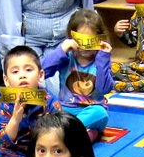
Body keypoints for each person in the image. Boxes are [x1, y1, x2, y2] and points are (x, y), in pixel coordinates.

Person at [42, 8, 114, 141]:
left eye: (90, 41)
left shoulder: (101, 58)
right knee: (46, 107)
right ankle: (77, 135)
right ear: (71, 38)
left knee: (100, 113)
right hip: (65, 109)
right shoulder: (67, 56)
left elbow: (105, 89)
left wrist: (103, 59)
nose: (85, 47)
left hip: (91, 111)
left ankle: (64, 132)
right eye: (81, 41)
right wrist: (61, 51)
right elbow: (42, 72)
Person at [0, 45, 62, 157]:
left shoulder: (50, 101)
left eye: (28, 70)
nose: (22, 75)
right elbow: (1, 142)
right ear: (6, 80)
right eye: (15, 72)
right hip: (18, 153)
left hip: (45, 153)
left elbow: (60, 136)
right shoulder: (5, 104)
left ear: (40, 75)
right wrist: (15, 119)